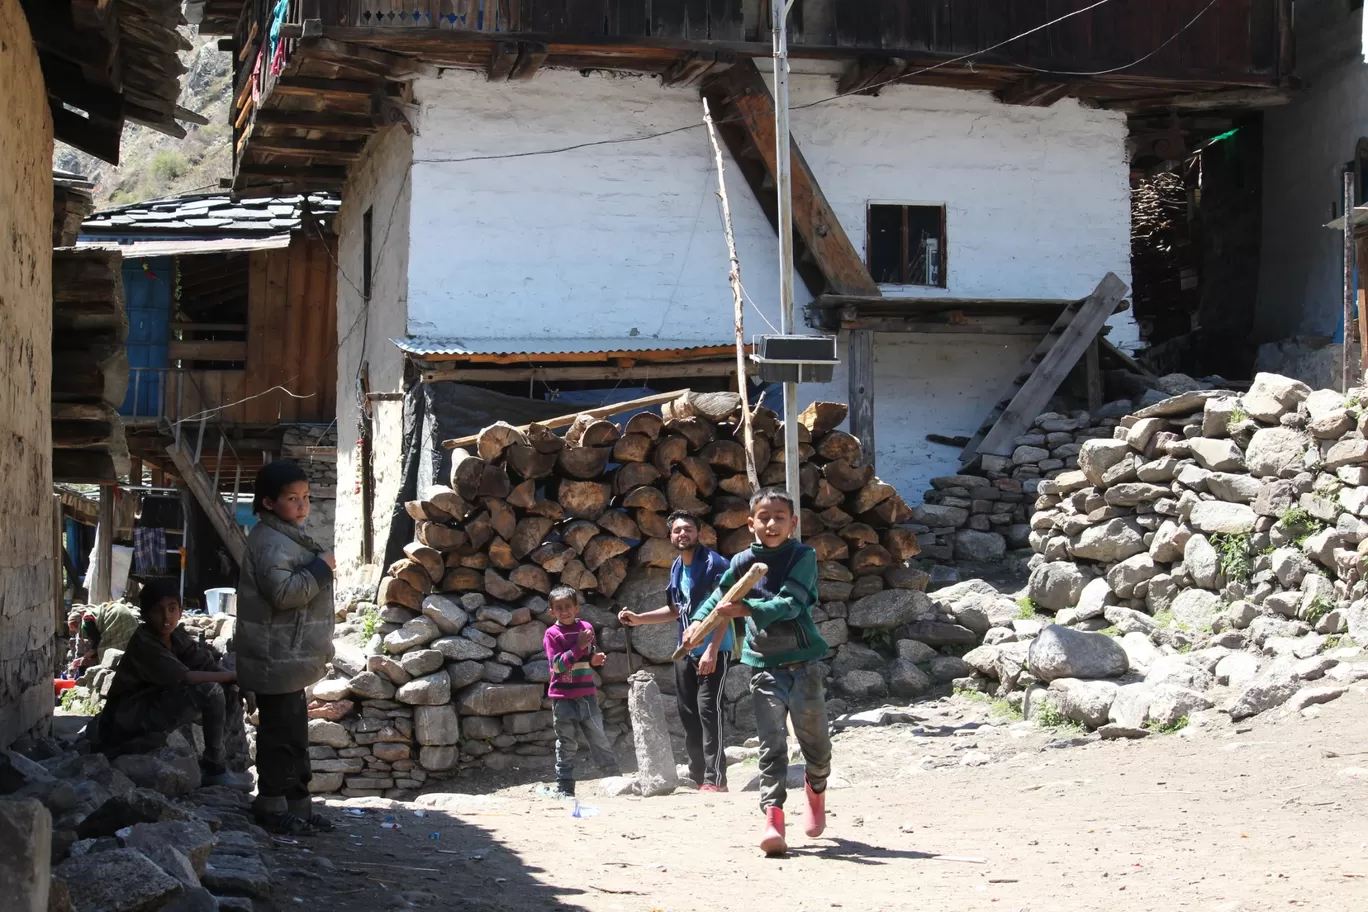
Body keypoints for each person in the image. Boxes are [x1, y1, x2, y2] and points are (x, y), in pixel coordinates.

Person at [686, 488, 830, 855]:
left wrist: (746, 609)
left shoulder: (803, 556)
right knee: (771, 746)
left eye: (779, 517)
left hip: (804, 665)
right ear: (751, 523)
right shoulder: (741, 562)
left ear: (793, 523)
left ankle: (816, 788)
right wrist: (697, 623)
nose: (771, 524)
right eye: (763, 517)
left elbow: (792, 603)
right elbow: (718, 598)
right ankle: (773, 817)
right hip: (764, 668)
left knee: (816, 747)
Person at [237, 460, 336, 835]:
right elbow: (284, 593)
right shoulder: (269, 541)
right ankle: (273, 809)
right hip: (273, 657)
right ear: (267, 502)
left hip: (285, 657)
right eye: (292, 498)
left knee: (294, 736)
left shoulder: (285, 535)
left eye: (306, 497)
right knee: (280, 738)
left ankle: (300, 808)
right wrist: (321, 568)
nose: (302, 506)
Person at [96, 579, 253, 790]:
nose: (166, 617)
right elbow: (187, 677)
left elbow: (205, 663)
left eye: (172, 609)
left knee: (229, 688)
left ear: (181, 610)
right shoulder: (145, 641)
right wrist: (234, 676)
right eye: (158, 611)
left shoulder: (176, 636)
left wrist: (238, 680)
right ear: (144, 614)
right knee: (211, 691)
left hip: (152, 705)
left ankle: (225, 762)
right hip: (129, 717)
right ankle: (215, 769)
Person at [618, 511, 733, 791]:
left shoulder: (715, 565)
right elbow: (674, 610)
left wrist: (712, 650)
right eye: (677, 530)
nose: (683, 534)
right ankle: (697, 774)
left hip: (713, 650)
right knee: (688, 713)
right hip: (685, 651)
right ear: (671, 536)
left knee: (709, 711)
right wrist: (639, 618)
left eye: (689, 529)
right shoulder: (677, 568)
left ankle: (715, 778)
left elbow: (725, 609)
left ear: (699, 533)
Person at [543, 585, 619, 798]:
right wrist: (578, 647)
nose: (564, 611)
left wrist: (595, 659)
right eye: (559, 608)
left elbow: (589, 656)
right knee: (566, 742)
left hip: (587, 695)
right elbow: (557, 666)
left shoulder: (585, 628)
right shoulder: (552, 634)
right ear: (552, 612)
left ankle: (613, 778)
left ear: (577, 608)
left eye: (568, 607)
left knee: (598, 737)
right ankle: (565, 787)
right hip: (563, 698)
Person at [71, 599, 141, 674]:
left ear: (77, 623)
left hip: (116, 616)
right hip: (125, 614)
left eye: (74, 629)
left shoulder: (86, 621)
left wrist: (84, 658)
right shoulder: (95, 612)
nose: (76, 632)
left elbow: (97, 642)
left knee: (106, 652)